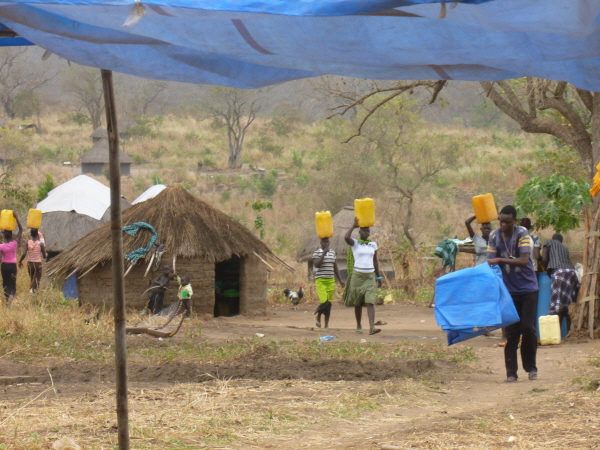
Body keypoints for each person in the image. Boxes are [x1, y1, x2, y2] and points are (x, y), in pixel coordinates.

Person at [487, 205, 539, 383]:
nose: (504, 225)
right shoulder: (494, 236)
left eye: (508, 222)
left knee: (528, 328)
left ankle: (531, 368)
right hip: (508, 291)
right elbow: (490, 262)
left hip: (528, 288)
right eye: (501, 221)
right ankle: (511, 373)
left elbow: (524, 261)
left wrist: (500, 259)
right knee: (511, 332)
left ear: (514, 221)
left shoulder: (522, 233)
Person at [343, 217, 382, 335]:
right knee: (358, 302)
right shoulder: (355, 243)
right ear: (359, 232)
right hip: (358, 276)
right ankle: (359, 325)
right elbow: (346, 237)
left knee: (370, 301)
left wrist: (378, 277)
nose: (366, 233)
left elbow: (375, 261)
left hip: (370, 276)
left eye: (368, 231)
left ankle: (372, 327)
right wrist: (353, 225)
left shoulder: (373, 244)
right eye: (364, 230)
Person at [542, 233, 579, 333]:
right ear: (561, 241)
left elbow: (544, 259)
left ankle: (555, 334)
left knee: (557, 306)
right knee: (569, 306)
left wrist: (545, 268)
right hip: (571, 274)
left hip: (559, 273)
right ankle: (569, 334)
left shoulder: (548, 242)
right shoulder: (565, 248)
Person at [312, 237, 344, 329]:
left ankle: (326, 324)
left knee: (329, 303)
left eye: (327, 242)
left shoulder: (332, 253)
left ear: (329, 242)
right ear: (320, 243)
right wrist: (323, 254)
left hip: (330, 280)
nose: (325, 243)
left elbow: (335, 266)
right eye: (323, 242)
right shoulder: (317, 252)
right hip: (321, 280)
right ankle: (318, 315)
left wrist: (340, 279)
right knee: (324, 301)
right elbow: (316, 265)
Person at [0, 212, 23, 306]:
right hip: (12, 266)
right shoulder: (14, 244)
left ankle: (7, 300)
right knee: (12, 284)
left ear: (4, 236)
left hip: (4, 266)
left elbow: (0, 259)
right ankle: (9, 301)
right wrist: (16, 217)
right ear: (11, 235)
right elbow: (21, 231)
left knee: (5, 283)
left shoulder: (1, 246)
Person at [19, 228, 47, 293]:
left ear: (31, 234)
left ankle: (32, 290)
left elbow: (24, 254)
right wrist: (45, 255)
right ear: (37, 234)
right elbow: (44, 256)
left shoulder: (27, 242)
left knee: (32, 278)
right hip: (38, 264)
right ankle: (33, 291)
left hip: (30, 264)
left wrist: (20, 261)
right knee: (37, 279)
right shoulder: (40, 244)